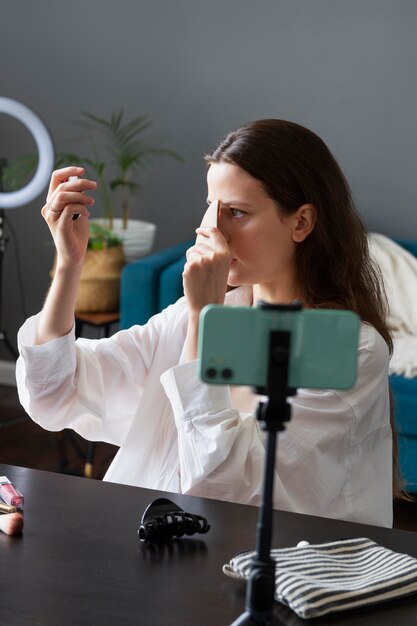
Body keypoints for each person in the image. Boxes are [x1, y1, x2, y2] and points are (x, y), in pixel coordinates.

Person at [16, 119, 396, 527]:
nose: (211, 228)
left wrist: (204, 317)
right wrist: (71, 264)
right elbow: (54, 391)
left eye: (236, 212)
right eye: (211, 206)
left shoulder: (349, 348)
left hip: (284, 568)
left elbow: (220, 486)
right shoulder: (195, 315)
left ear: (301, 223)